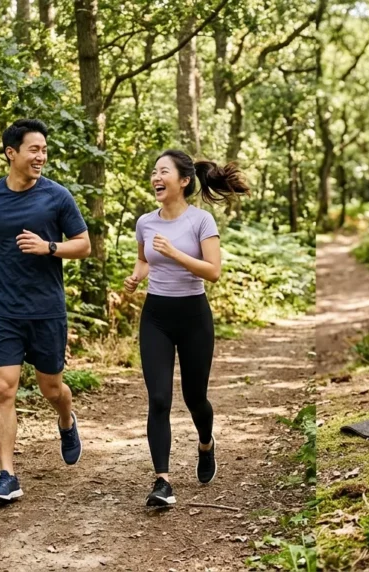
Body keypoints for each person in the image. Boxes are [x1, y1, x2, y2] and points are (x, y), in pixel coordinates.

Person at [0, 118, 91, 503]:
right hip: (3, 308)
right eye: (34, 149)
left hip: (46, 309)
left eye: (44, 150)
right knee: (3, 388)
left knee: (51, 388)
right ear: (11, 153)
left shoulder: (57, 196)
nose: (41, 156)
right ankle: (7, 475)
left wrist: (49, 247)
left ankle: (66, 420)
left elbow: (83, 244)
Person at [123, 149, 249, 507]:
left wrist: (176, 253)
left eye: (163, 171)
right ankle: (162, 481)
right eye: (153, 171)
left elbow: (213, 272)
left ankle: (206, 443)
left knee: (196, 398)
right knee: (159, 398)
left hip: (194, 315)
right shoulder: (146, 222)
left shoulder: (201, 221)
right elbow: (145, 259)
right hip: (156, 316)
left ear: (183, 180)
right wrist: (136, 276)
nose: (155, 177)